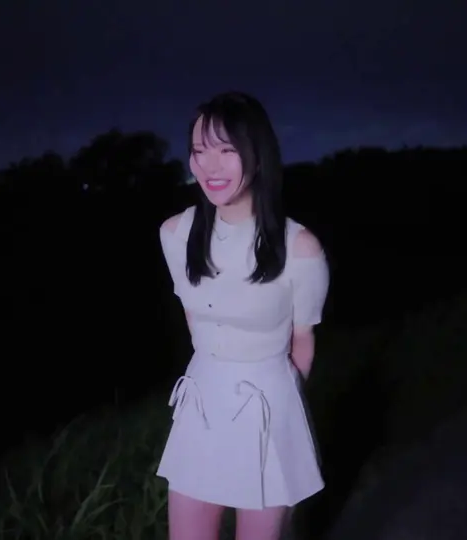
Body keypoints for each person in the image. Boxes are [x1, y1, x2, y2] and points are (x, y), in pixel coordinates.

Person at [156, 91, 329, 540]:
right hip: (201, 407)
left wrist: (280, 412)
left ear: (257, 155)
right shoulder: (175, 234)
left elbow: (303, 343)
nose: (209, 166)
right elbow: (196, 320)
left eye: (226, 150)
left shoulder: (300, 248)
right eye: (199, 151)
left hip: (268, 411)